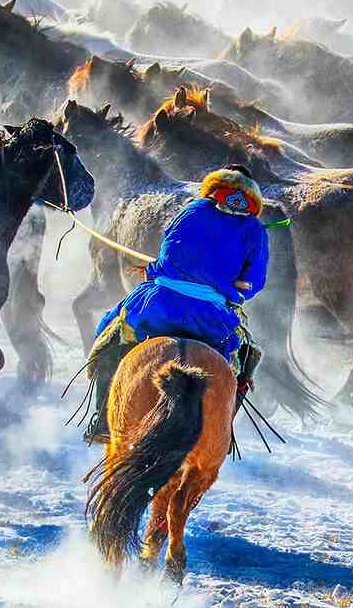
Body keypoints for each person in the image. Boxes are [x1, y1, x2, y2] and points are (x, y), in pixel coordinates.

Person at [84, 164, 269, 444]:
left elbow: (166, 256)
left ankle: (102, 419)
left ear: (216, 186)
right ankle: (223, 431)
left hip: (159, 305)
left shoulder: (192, 209)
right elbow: (254, 281)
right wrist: (237, 290)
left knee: (112, 331)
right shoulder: (254, 228)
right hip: (212, 319)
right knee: (245, 358)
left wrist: (155, 271)